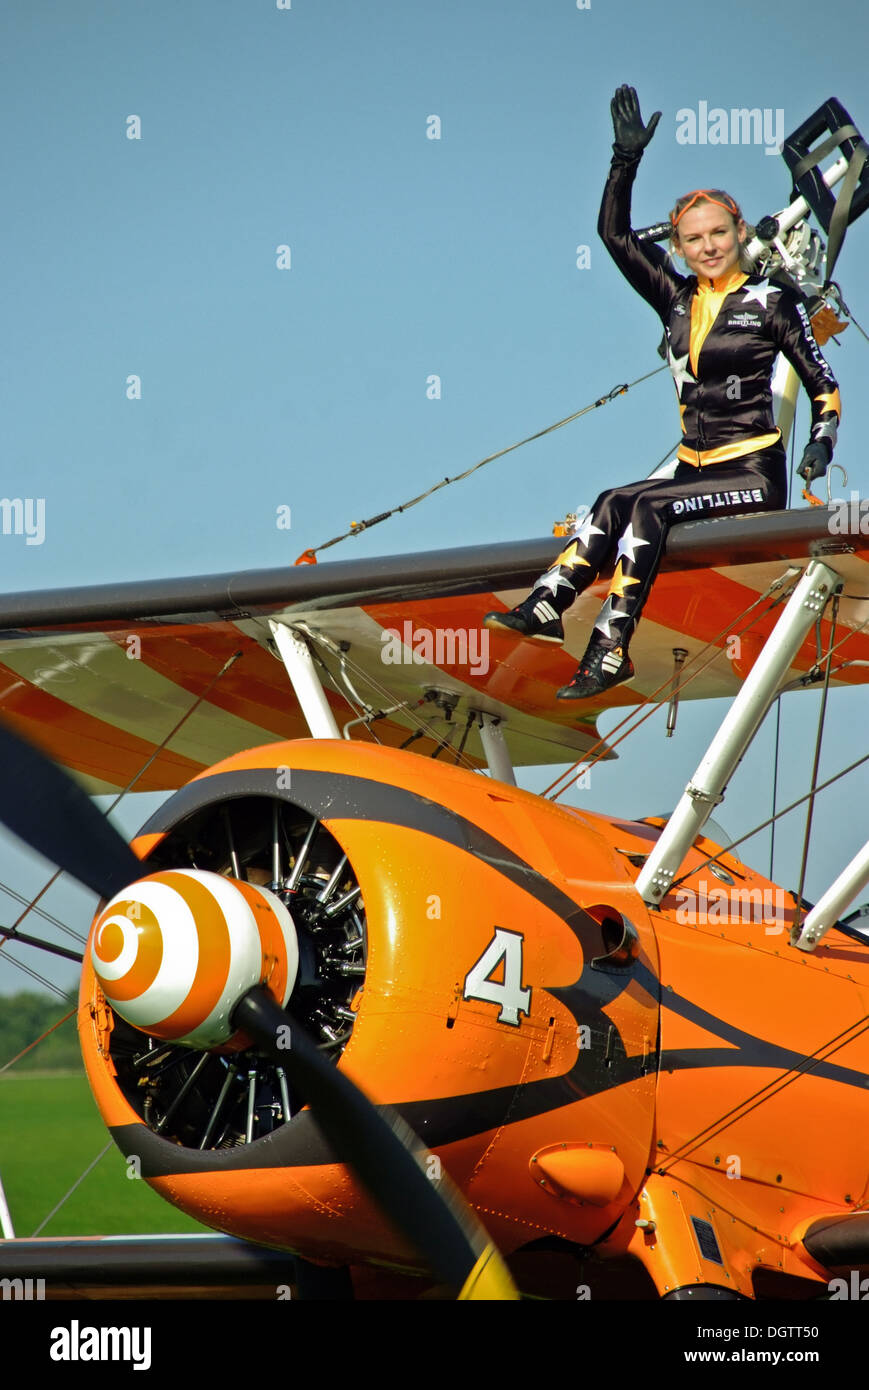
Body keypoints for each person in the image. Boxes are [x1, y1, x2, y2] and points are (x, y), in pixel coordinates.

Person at [484, 85, 841, 700]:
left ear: (736, 233)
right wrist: (624, 162)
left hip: (751, 475)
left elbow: (821, 382)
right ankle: (546, 607)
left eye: (720, 234)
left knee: (647, 509)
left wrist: (820, 443)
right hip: (692, 470)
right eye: (695, 238)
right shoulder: (675, 300)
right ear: (679, 247)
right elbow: (615, 236)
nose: (709, 247)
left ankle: (610, 648)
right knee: (610, 501)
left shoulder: (772, 302)